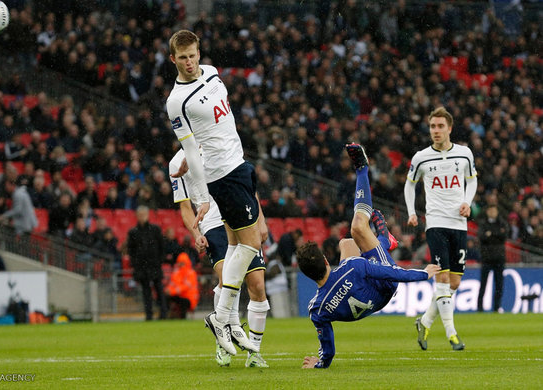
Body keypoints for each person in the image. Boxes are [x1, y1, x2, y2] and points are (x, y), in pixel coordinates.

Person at [166, 30, 266, 358]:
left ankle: (222, 317)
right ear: (173, 60)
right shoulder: (176, 102)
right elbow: (191, 150)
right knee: (250, 245)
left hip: (239, 164)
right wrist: (202, 195)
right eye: (183, 58)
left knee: (241, 246)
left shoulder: (211, 72)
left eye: (193, 55)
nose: (190, 62)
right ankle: (221, 316)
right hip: (221, 175)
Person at [300, 143, 440, 369]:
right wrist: (423, 274)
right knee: (357, 228)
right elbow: (391, 273)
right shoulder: (354, 266)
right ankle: (363, 171)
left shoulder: (316, 309)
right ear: (326, 259)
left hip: (370, 300)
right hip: (385, 285)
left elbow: (328, 348)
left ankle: (386, 243)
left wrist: (320, 364)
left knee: (346, 243)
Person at [169, 148, 269, 367]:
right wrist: (196, 234)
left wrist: (260, 218)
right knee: (226, 277)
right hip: (212, 223)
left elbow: (247, 183)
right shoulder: (176, 163)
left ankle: (254, 352)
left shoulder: (221, 141)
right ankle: (222, 338)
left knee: (258, 286)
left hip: (240, 211)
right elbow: (185, 207)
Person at [404, 107, 478, 351]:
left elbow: (472, 178)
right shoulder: (421, 157)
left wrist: (468, 201)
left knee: (454, 283)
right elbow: (409, 185)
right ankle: (452, 335)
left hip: (459, 223)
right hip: (435, 222)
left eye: (440, 126)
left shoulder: (464, 154)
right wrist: (412, 212)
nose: (435, 131)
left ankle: (424, 322)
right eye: (432, 127)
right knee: (442, 279)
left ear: (449, 128)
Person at [127, 205, 167, 321]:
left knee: (159, 289)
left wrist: (159, 260)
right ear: (137, 216)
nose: (142, 217)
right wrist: (135, 264)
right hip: (141, 267)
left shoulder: (155, 229)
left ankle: (163, 313)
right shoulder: (133, 232)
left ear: (148, 215)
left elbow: (162, 246)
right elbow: (131, 250)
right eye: (140, 215)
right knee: (146, 292)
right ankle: (148, 314)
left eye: (144, 215)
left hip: (154, 265)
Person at [477, 205, 508, 312]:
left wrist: (490, 234)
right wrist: (497, 234)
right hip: (487, 258)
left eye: (494, 210)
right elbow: (482, 237)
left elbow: (504, 235)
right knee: (483, 284)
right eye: (490, 210)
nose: (492, 212)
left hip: (499, 258)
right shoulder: (483, 223)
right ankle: (479, 308)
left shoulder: (502, 222)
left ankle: (497, 307)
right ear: (487, 211)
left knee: (499, 285)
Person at [165, 252, 199, 319]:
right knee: (165, 297)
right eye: (180, 262)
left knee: (183, 302)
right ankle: (166, 315)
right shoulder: (176, 273)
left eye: (182, 262)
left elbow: (185, 287)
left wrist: (172, 291)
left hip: (190, 298)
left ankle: (182, 318)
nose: (181, 265)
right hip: (179, 296)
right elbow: (172, 284)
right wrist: (168, 290)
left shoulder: (191, 273)